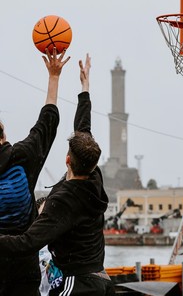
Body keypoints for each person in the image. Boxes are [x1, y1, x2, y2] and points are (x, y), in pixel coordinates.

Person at [0, 54, 116, 296]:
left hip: (79, 284)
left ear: (67, 159)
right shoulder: (94, 178)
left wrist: (81, 87)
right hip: (101, 280)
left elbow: (28, 243)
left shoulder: (62, 201)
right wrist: (84, 89)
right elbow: (80, 130)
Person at [0, 48, 70, 296]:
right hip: (23, 265)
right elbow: (47, 122)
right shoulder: (23, 155)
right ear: (3, 136)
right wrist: (54, 76)